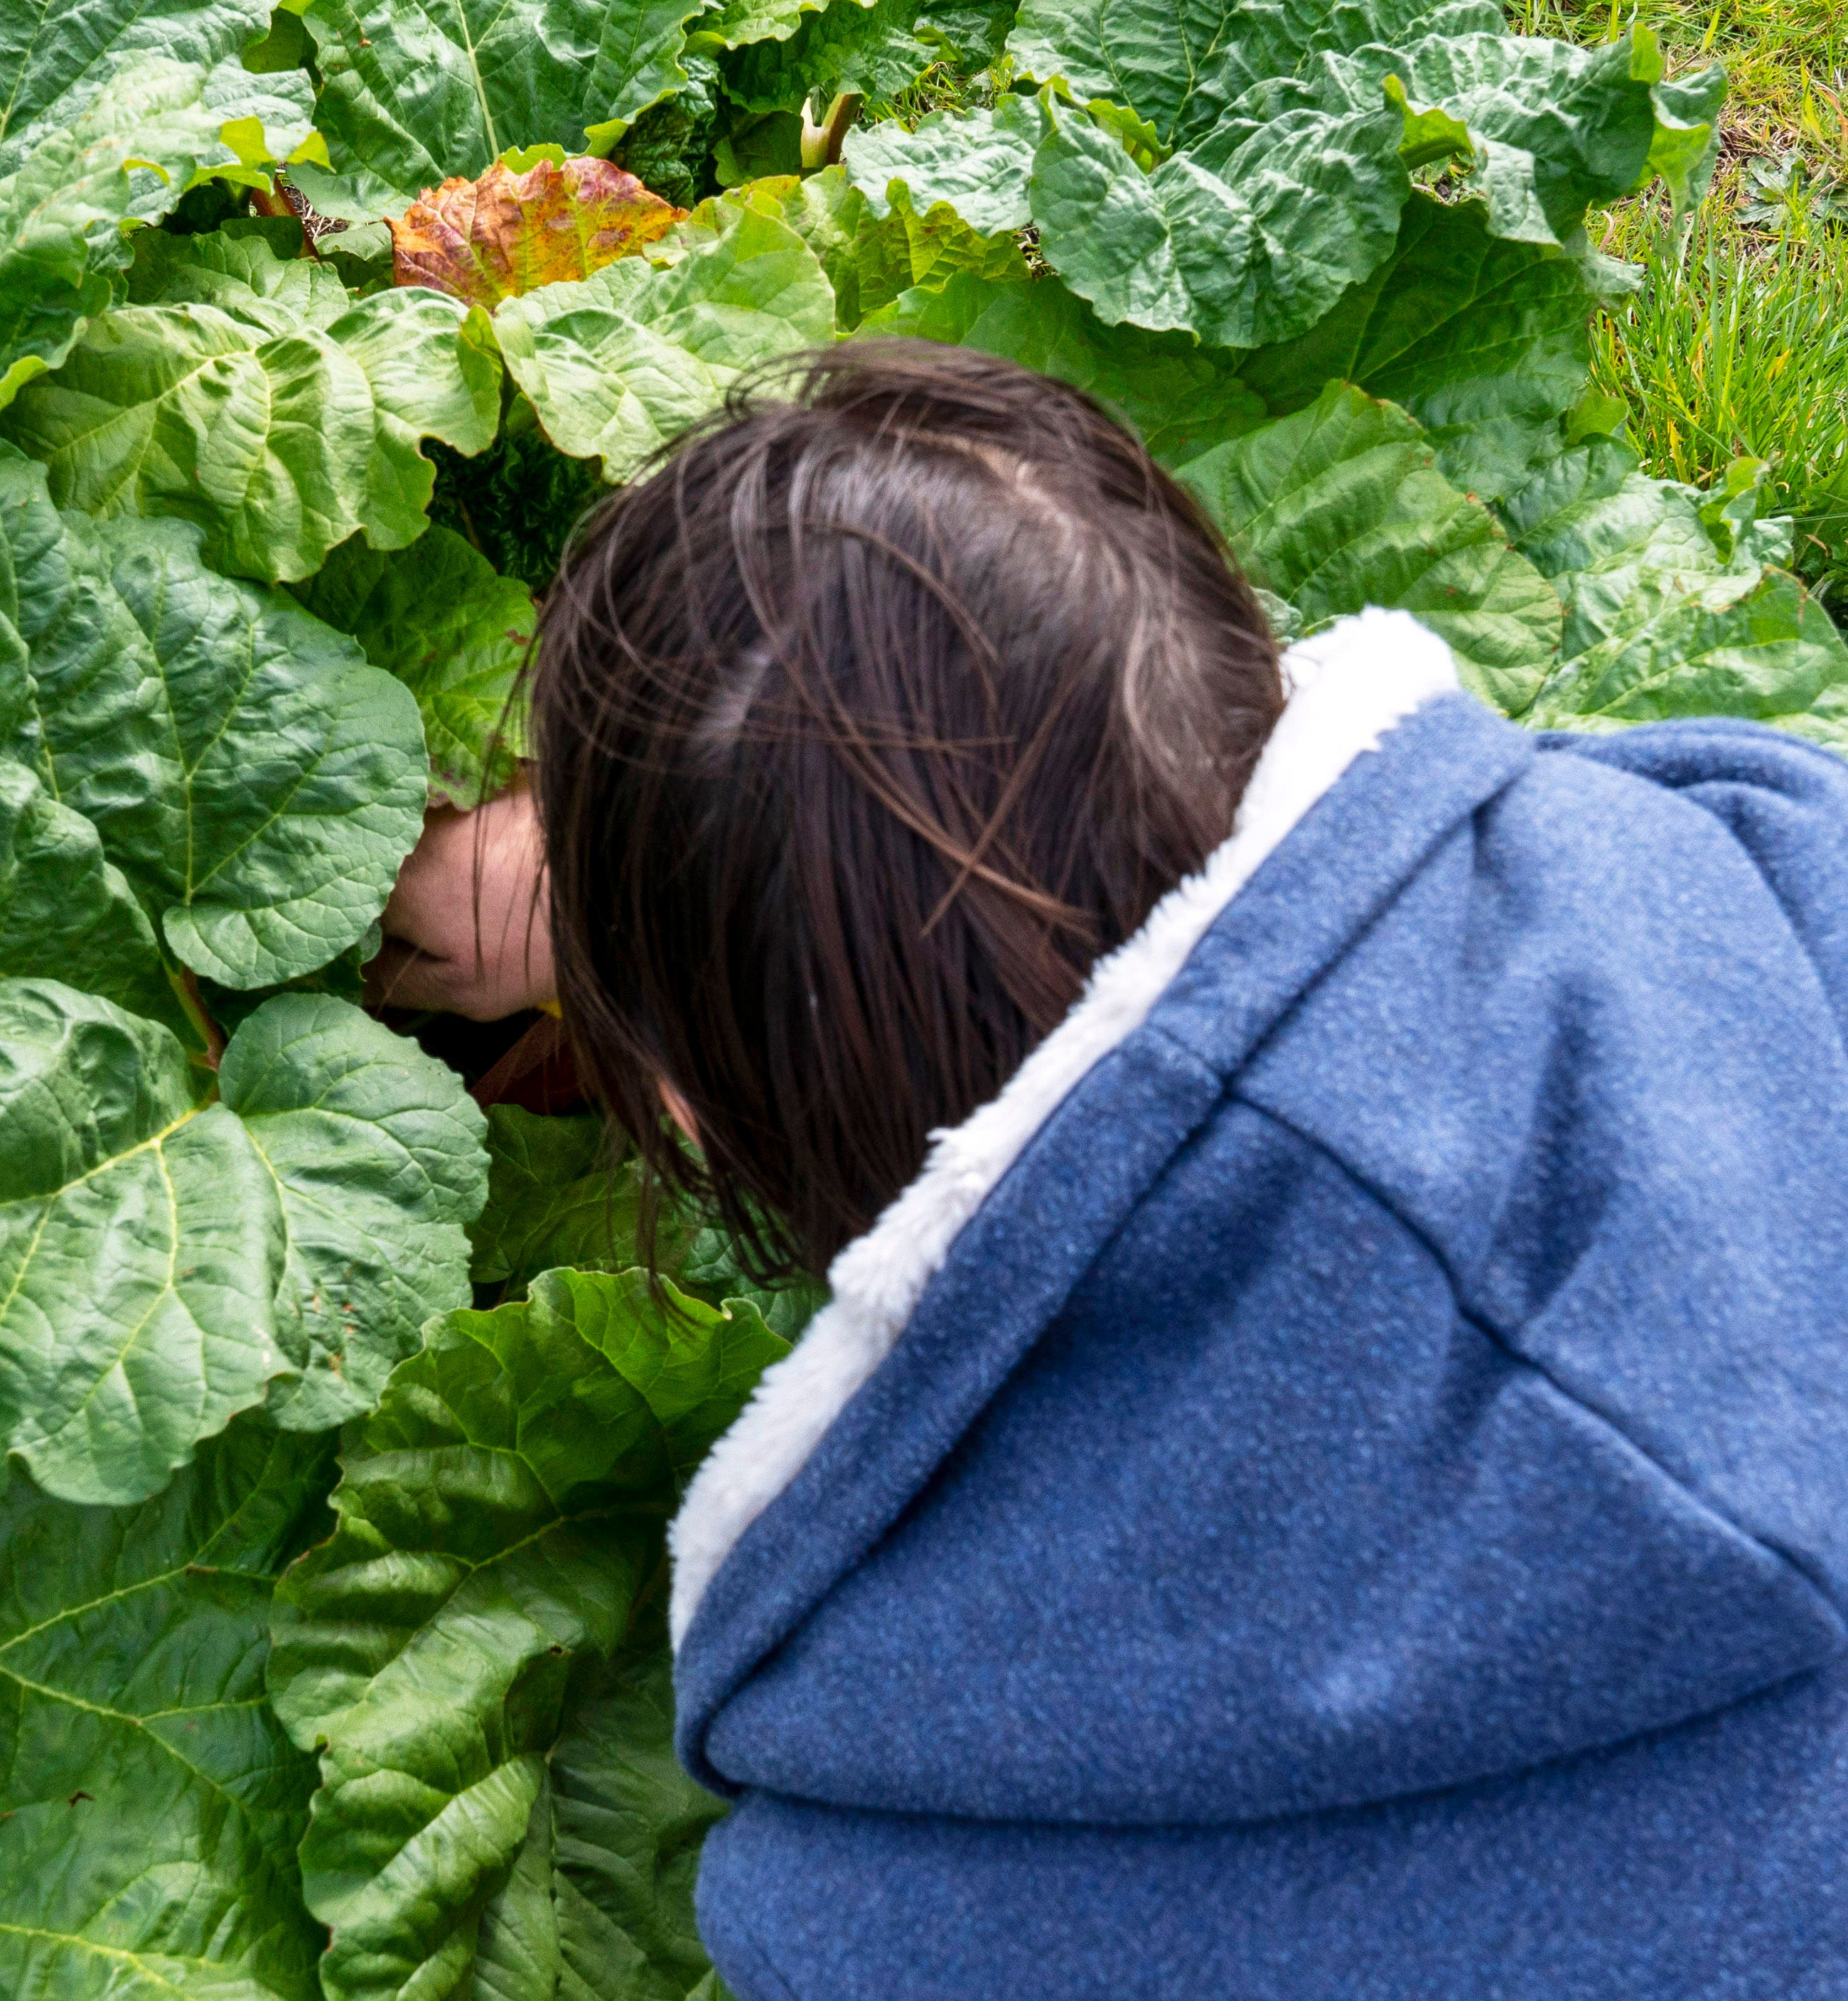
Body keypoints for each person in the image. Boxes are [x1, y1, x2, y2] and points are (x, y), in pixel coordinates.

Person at [370, 340, 1848, 1998]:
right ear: (1241, 661)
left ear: (692, 1119)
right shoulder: (1773, 846)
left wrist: (658, 936)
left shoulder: (905, 1901)